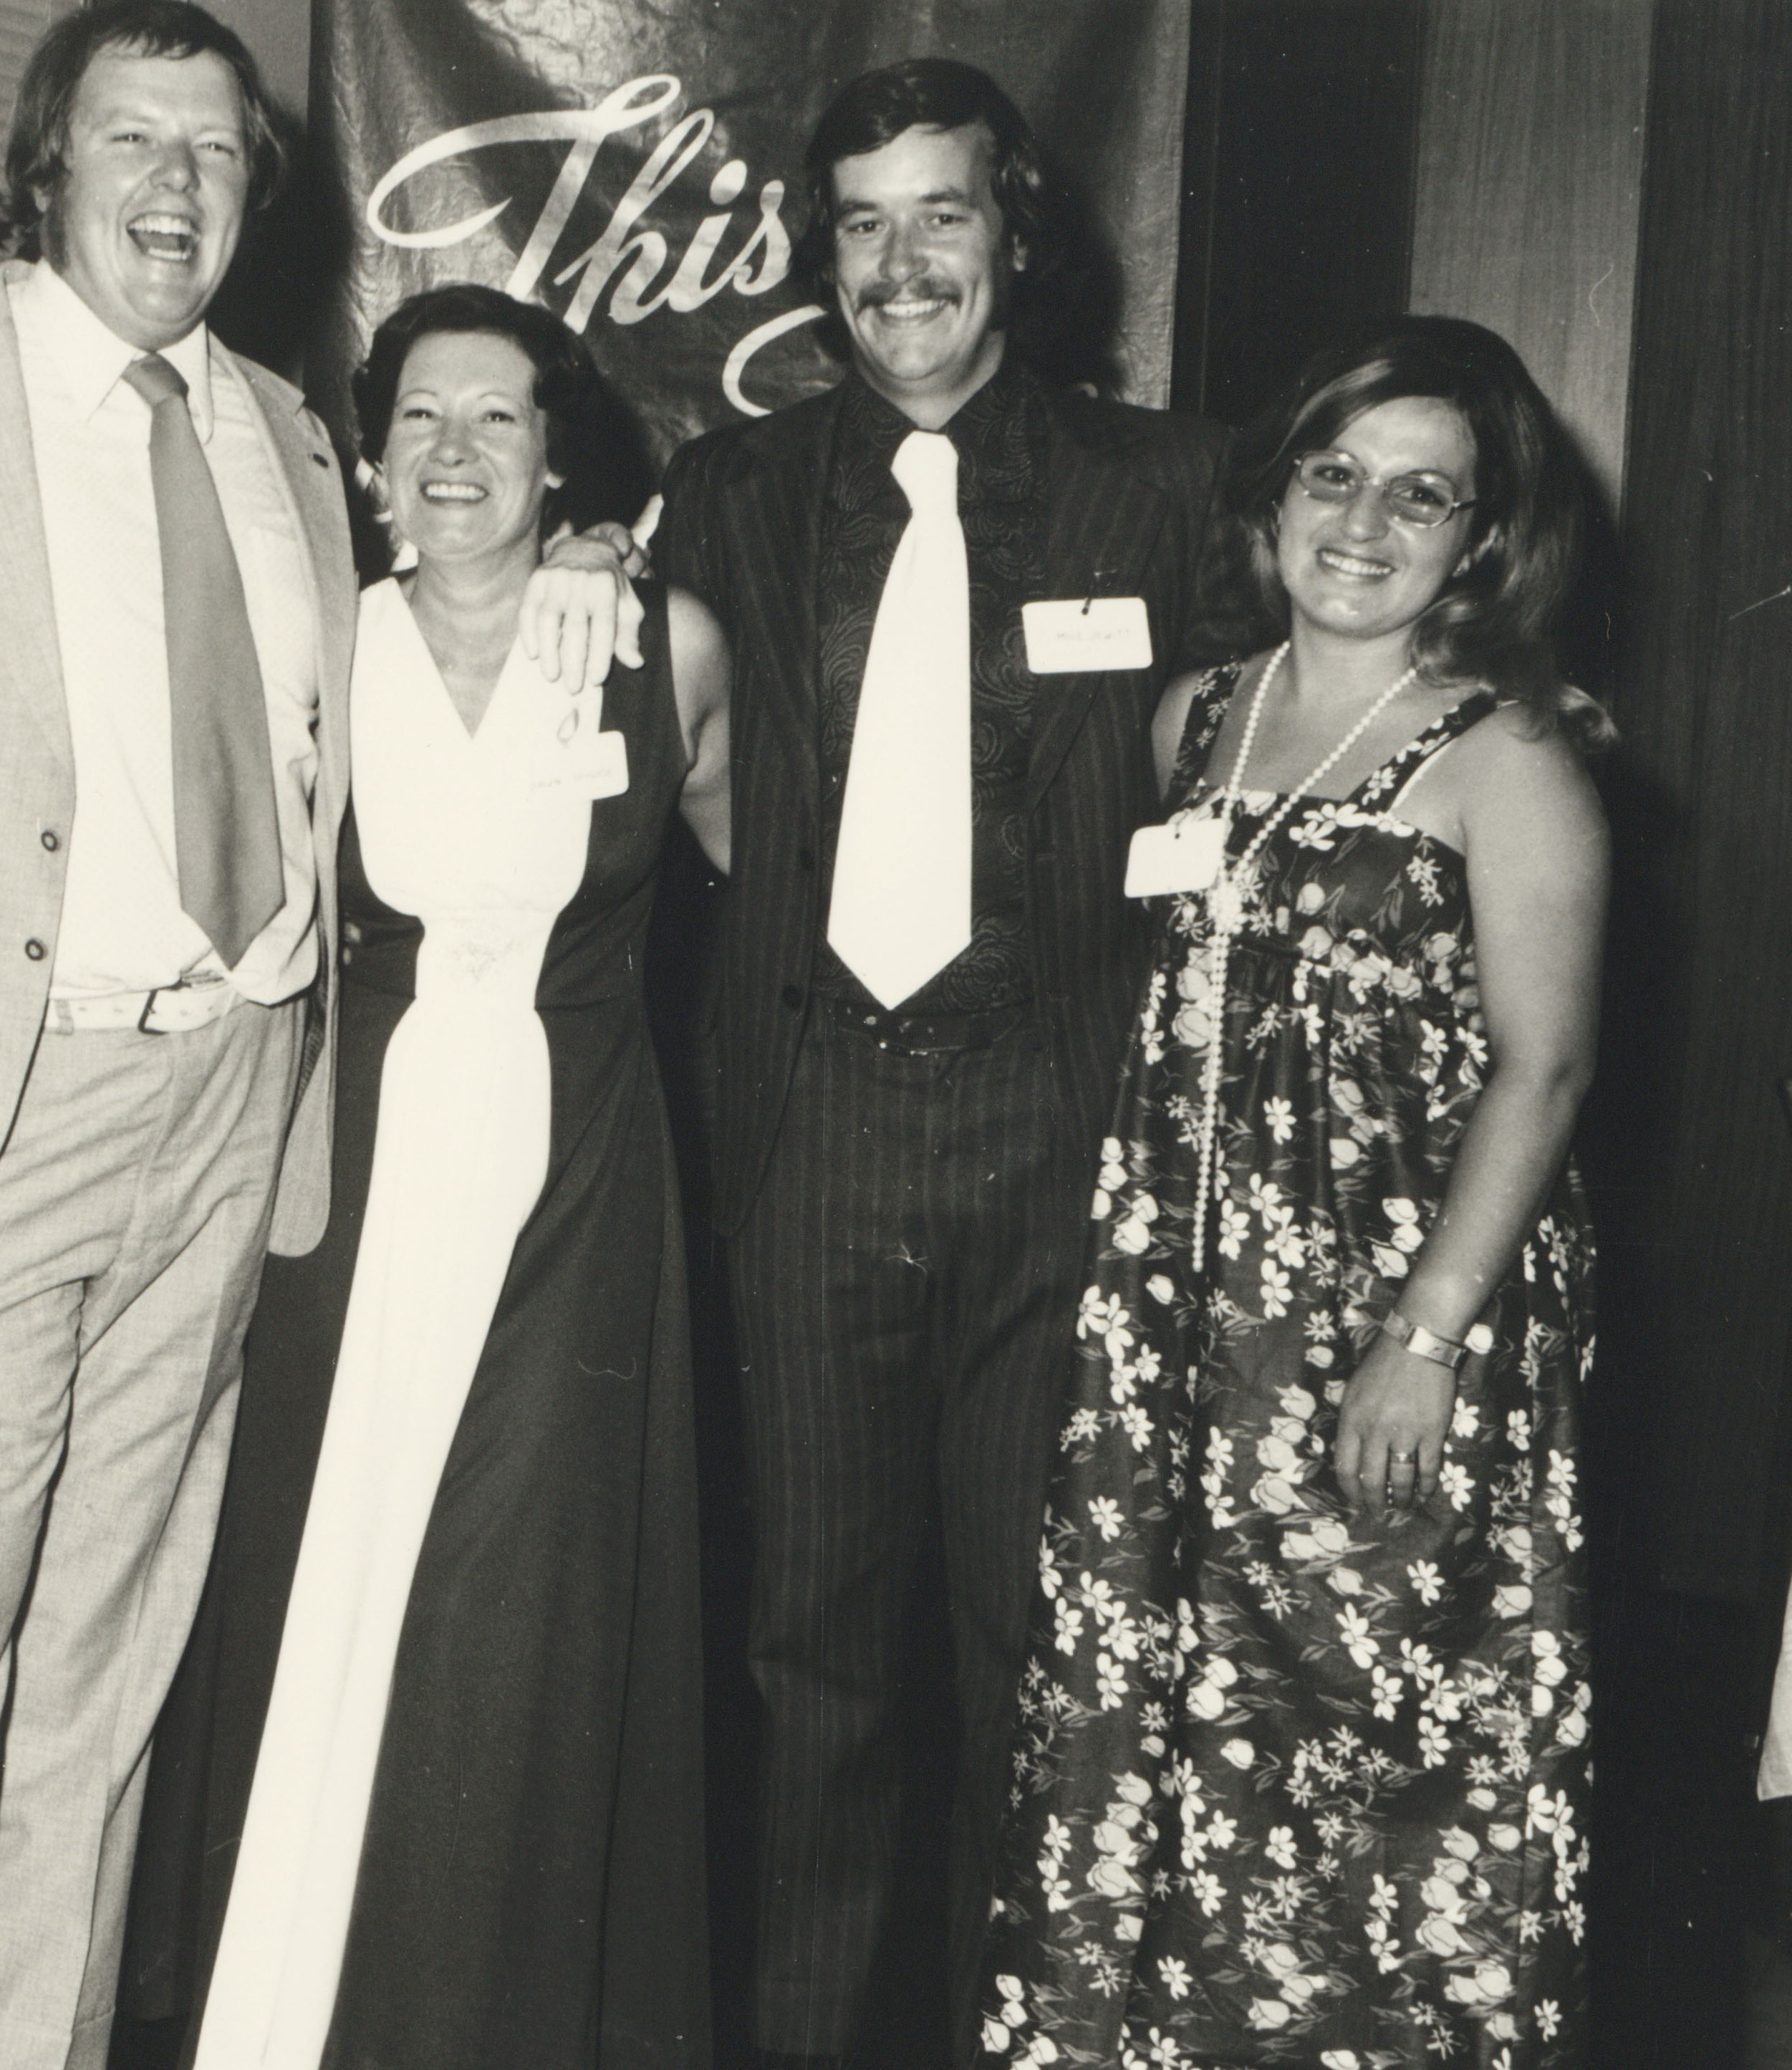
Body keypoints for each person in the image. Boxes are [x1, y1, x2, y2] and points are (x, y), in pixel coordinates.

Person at [0, 9, 630, 2066]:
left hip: (230, 1100)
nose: (173, 185)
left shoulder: (278, 427)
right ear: (43, 166)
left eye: (217, 152)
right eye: (128, 139)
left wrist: (581, 560)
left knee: (105, 1649)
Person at [642, 57, 1253, 2070]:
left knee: (1032, 1655)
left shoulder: (1163, 488)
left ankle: (1030, 2039)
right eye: (856, 223)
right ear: (818, 256)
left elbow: (1264, 746)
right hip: (810, 1125)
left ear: (1013, 232)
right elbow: (693, 782)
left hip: (1056, 1139)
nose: (898, 265)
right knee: (806, 1662)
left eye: (939, 215)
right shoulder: (726, 496)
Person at [977, 315, 1603, 2069]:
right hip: (1176, 1326)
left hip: (1395, 1318)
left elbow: (1539, 1071)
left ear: (1477, 535)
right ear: (1272, 496)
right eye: (1334, 475)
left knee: (1373, 1735)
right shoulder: (1190, 716)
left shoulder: (1509, 751)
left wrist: (1423, 1335)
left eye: (1421, 495)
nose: (1365, 523)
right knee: (1161, 1723)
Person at [124, 282, 733, 2070]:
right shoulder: (317, 633)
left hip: (577, 1170)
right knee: (329, 1566)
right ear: (369, 458)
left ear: (560, 457)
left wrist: (618, 562)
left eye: (499, 418)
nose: (455, 452)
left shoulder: (662, 641)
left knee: (517, 1604)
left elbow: (750, 870)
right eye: (419, 419)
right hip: (358, 1165)